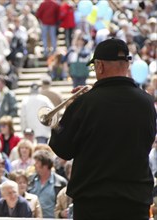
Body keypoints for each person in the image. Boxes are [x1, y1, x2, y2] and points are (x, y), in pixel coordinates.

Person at [49, 38, 156, 220]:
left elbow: (62, 149)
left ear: (100, 66)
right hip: (135, 203)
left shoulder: (84, 103)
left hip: (93, 203)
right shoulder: (147, 103)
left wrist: (67, 112)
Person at [28, 150, 67, 218]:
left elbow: (63, 205)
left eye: (37, 162)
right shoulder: (30, 180)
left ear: (45, 165)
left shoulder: (61, 182)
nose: (34, 165)